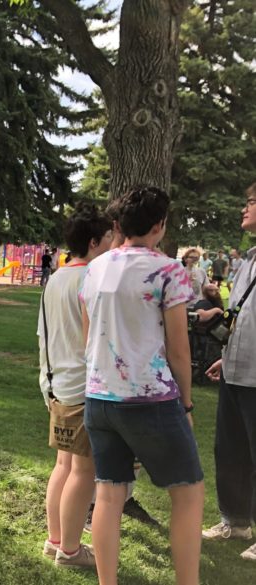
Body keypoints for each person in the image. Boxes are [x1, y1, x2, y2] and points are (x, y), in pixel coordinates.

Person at [80, 186, 203, 585]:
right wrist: (186, 404)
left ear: (119, 224)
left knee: (108, 493)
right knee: (188, 492)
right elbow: (179, 349)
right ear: (159, 225)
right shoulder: (169, 270)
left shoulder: (94, 268)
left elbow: (87, 338)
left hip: (99, 397)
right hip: (149, 398)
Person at [39, 203, 112, 569]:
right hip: (83, 386)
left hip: (56, 385)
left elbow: (43, 334)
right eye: (109, 237)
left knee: (64, 466)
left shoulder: (55, 278)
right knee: (82, 472)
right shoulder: (91, 279)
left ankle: (56, 540)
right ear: (94, 242)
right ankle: (69, 549)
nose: (114, 243)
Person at [203, 183, 256, 561]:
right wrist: (228, 355)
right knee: (230, 450)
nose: (244, 208)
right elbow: (244, 316)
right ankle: (235, 522)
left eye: (251, 202)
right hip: (236, 369)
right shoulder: (249, 260)